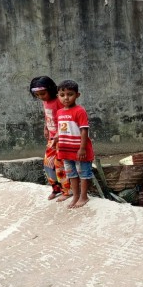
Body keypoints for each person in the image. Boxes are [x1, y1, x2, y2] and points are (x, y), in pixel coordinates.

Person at [54, 80, 95, 209]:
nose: (66, 98)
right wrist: (57, 138)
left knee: (83, 174)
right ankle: (76, 195)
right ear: (58, 96)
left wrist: (82, 148)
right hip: (66, 150)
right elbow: (62, 128)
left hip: (79, 150)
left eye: (70, 94)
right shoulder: (59, 112)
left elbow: (84, 130)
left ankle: (84, 196)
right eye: (62, 95)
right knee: (71, 174)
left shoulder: (79, 111)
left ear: (77, 95)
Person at [30, 76, 71, 201]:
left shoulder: (59, 101)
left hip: (62, 137)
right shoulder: (45, 101)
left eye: (43, 93)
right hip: (52, 138)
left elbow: (66, 117)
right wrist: (46, 127)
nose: (41, 97)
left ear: (51, 89)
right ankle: (55, 188)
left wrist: (59, 134)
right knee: (48, 163)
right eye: (37, 95)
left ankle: (66, 191)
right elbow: (47, 116)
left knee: (60, 165)